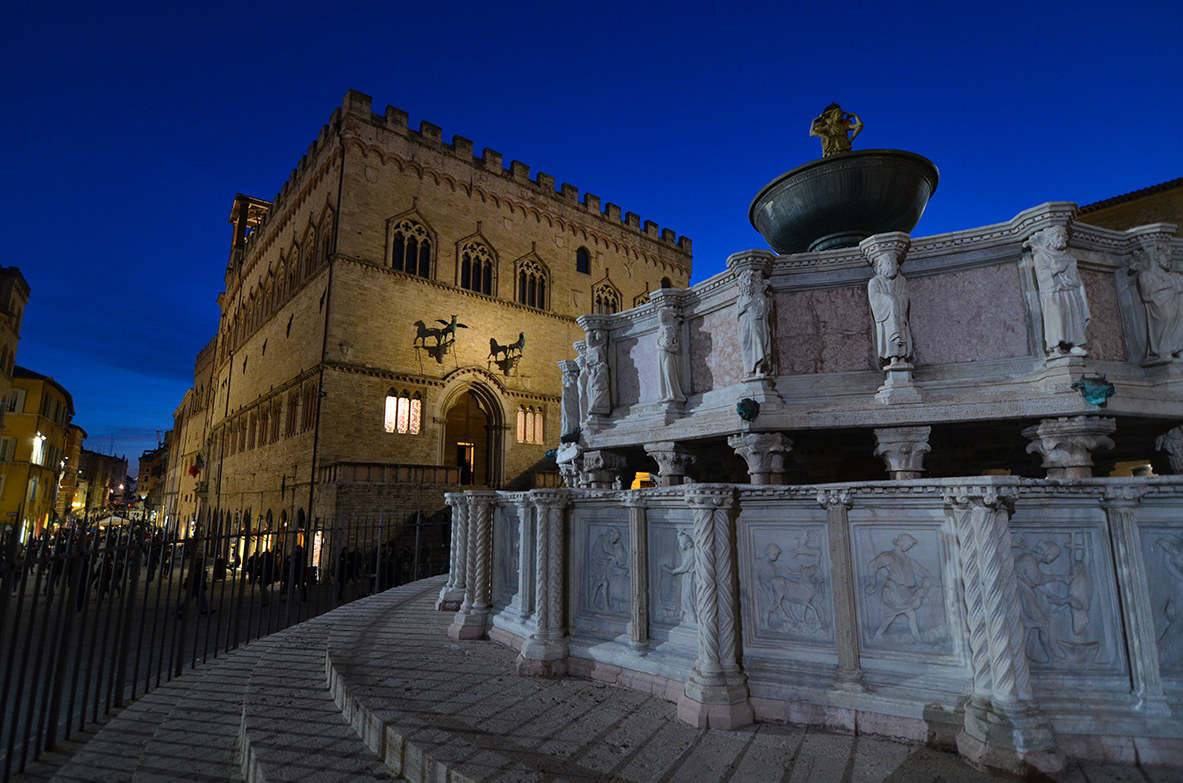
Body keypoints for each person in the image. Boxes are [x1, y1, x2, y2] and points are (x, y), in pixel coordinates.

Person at [1027, 226, 1090, 357]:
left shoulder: (1068, 256)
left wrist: (1072, 280)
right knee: (1056, 318)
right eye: (1058, 236)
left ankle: (1075, 344)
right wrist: (1056, 270)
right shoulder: (1041, 256)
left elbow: (1077, 278)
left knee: (1072, 316)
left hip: (1068, 290)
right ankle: (1055, 347)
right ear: (1050, 239)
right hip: (1052, 293)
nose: (1061, 239)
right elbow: (1041, 276)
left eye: (1063, 237)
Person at [865, 533, 931, 642]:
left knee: (903, 615)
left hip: (905, 593)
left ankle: (879, 635)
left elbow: (927, 575)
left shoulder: (909, 561)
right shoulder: (888, 556)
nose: (909, 547)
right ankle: (917, 639)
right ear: (901, 542)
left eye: (910, 545)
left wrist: (924, 589)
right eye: (908, 544)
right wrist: (872, 583)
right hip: (893, 592)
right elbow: (872, 565)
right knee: (904, 614)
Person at [867, 250, 913, 366]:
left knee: (902, 331)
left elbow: (904, 296)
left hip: (900, 316)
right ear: (881, 267)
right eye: (888, 263)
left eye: (893, 263)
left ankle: (903, 357)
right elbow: (875, 298)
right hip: (886, 316)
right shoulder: (875, 282)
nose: (891, 266)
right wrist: (889, 301)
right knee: (889, 334)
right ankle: (893, 358)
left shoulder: (901, 281)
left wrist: (898, 302)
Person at [736, 269, 773, 378]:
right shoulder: (741, 298)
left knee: (758, 342)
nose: (749, 283)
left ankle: (758, 370)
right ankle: (748, 371)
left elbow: (764, 310)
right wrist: (746, 306)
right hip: (745, 323)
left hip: (756, 322)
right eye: (747, 281)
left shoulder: (759, 296)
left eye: (751, 281)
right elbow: (737, 314)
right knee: (745, 345)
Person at [656, 308, 686, 404]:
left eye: (662, 315)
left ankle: (674, 394)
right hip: (661, 354)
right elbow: (656, 344)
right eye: (659, 316)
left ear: (665, 316)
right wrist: (662, 348)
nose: (660, 317)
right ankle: (666, 395)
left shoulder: (671, 328)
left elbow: (677, 347)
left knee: (669, 373)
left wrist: (668, 349)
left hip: (669, 354)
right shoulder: (660, 330)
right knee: (662, 375)